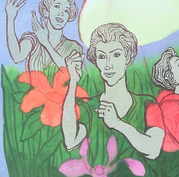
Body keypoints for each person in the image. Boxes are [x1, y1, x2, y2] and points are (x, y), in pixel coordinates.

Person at [61, 22, 164, 161]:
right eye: (102, 57)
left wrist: (117, 124)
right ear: (96, 61)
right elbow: (70, 141)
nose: (108, 64)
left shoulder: (147, 103)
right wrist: (73, 81)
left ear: (127, 58)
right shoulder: (89, 107)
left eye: (116, 55)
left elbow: (153, 149)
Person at [5, 0, 83, 72]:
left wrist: (45, 42)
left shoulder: (73, 47)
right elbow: (17, 57)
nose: (61, 13)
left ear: (69, 17)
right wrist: (10, 18)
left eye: (66, 11)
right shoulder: (33, 40)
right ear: (46, 12)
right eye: (57, 6)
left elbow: (69, 72)